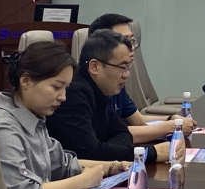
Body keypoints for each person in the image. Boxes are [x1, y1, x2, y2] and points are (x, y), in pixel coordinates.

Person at [0, 41, 131, 189]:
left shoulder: (34, 117)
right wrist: (82, 181)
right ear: (26, 81)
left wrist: (113, 167)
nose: (63, 97)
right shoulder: (4, 127)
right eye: (56, 87)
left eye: (66, 88)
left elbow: (63, 164)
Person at [47, 30, 176, 164]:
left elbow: (123, 133)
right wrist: (151, 153)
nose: (126, 75)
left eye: (128, 68)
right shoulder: (72, 95)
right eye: (122, 67)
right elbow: (90, 154)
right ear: (95, 67)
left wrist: (105, 147)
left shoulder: (99, 91)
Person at [86, 13, 196, 141]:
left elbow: (138, 120)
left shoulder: (115, 80)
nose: (131, 47)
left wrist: (171, 119)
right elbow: (111, 134)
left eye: (132, 40)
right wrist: (170, 127)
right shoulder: (88, 89)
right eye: (124, 41)